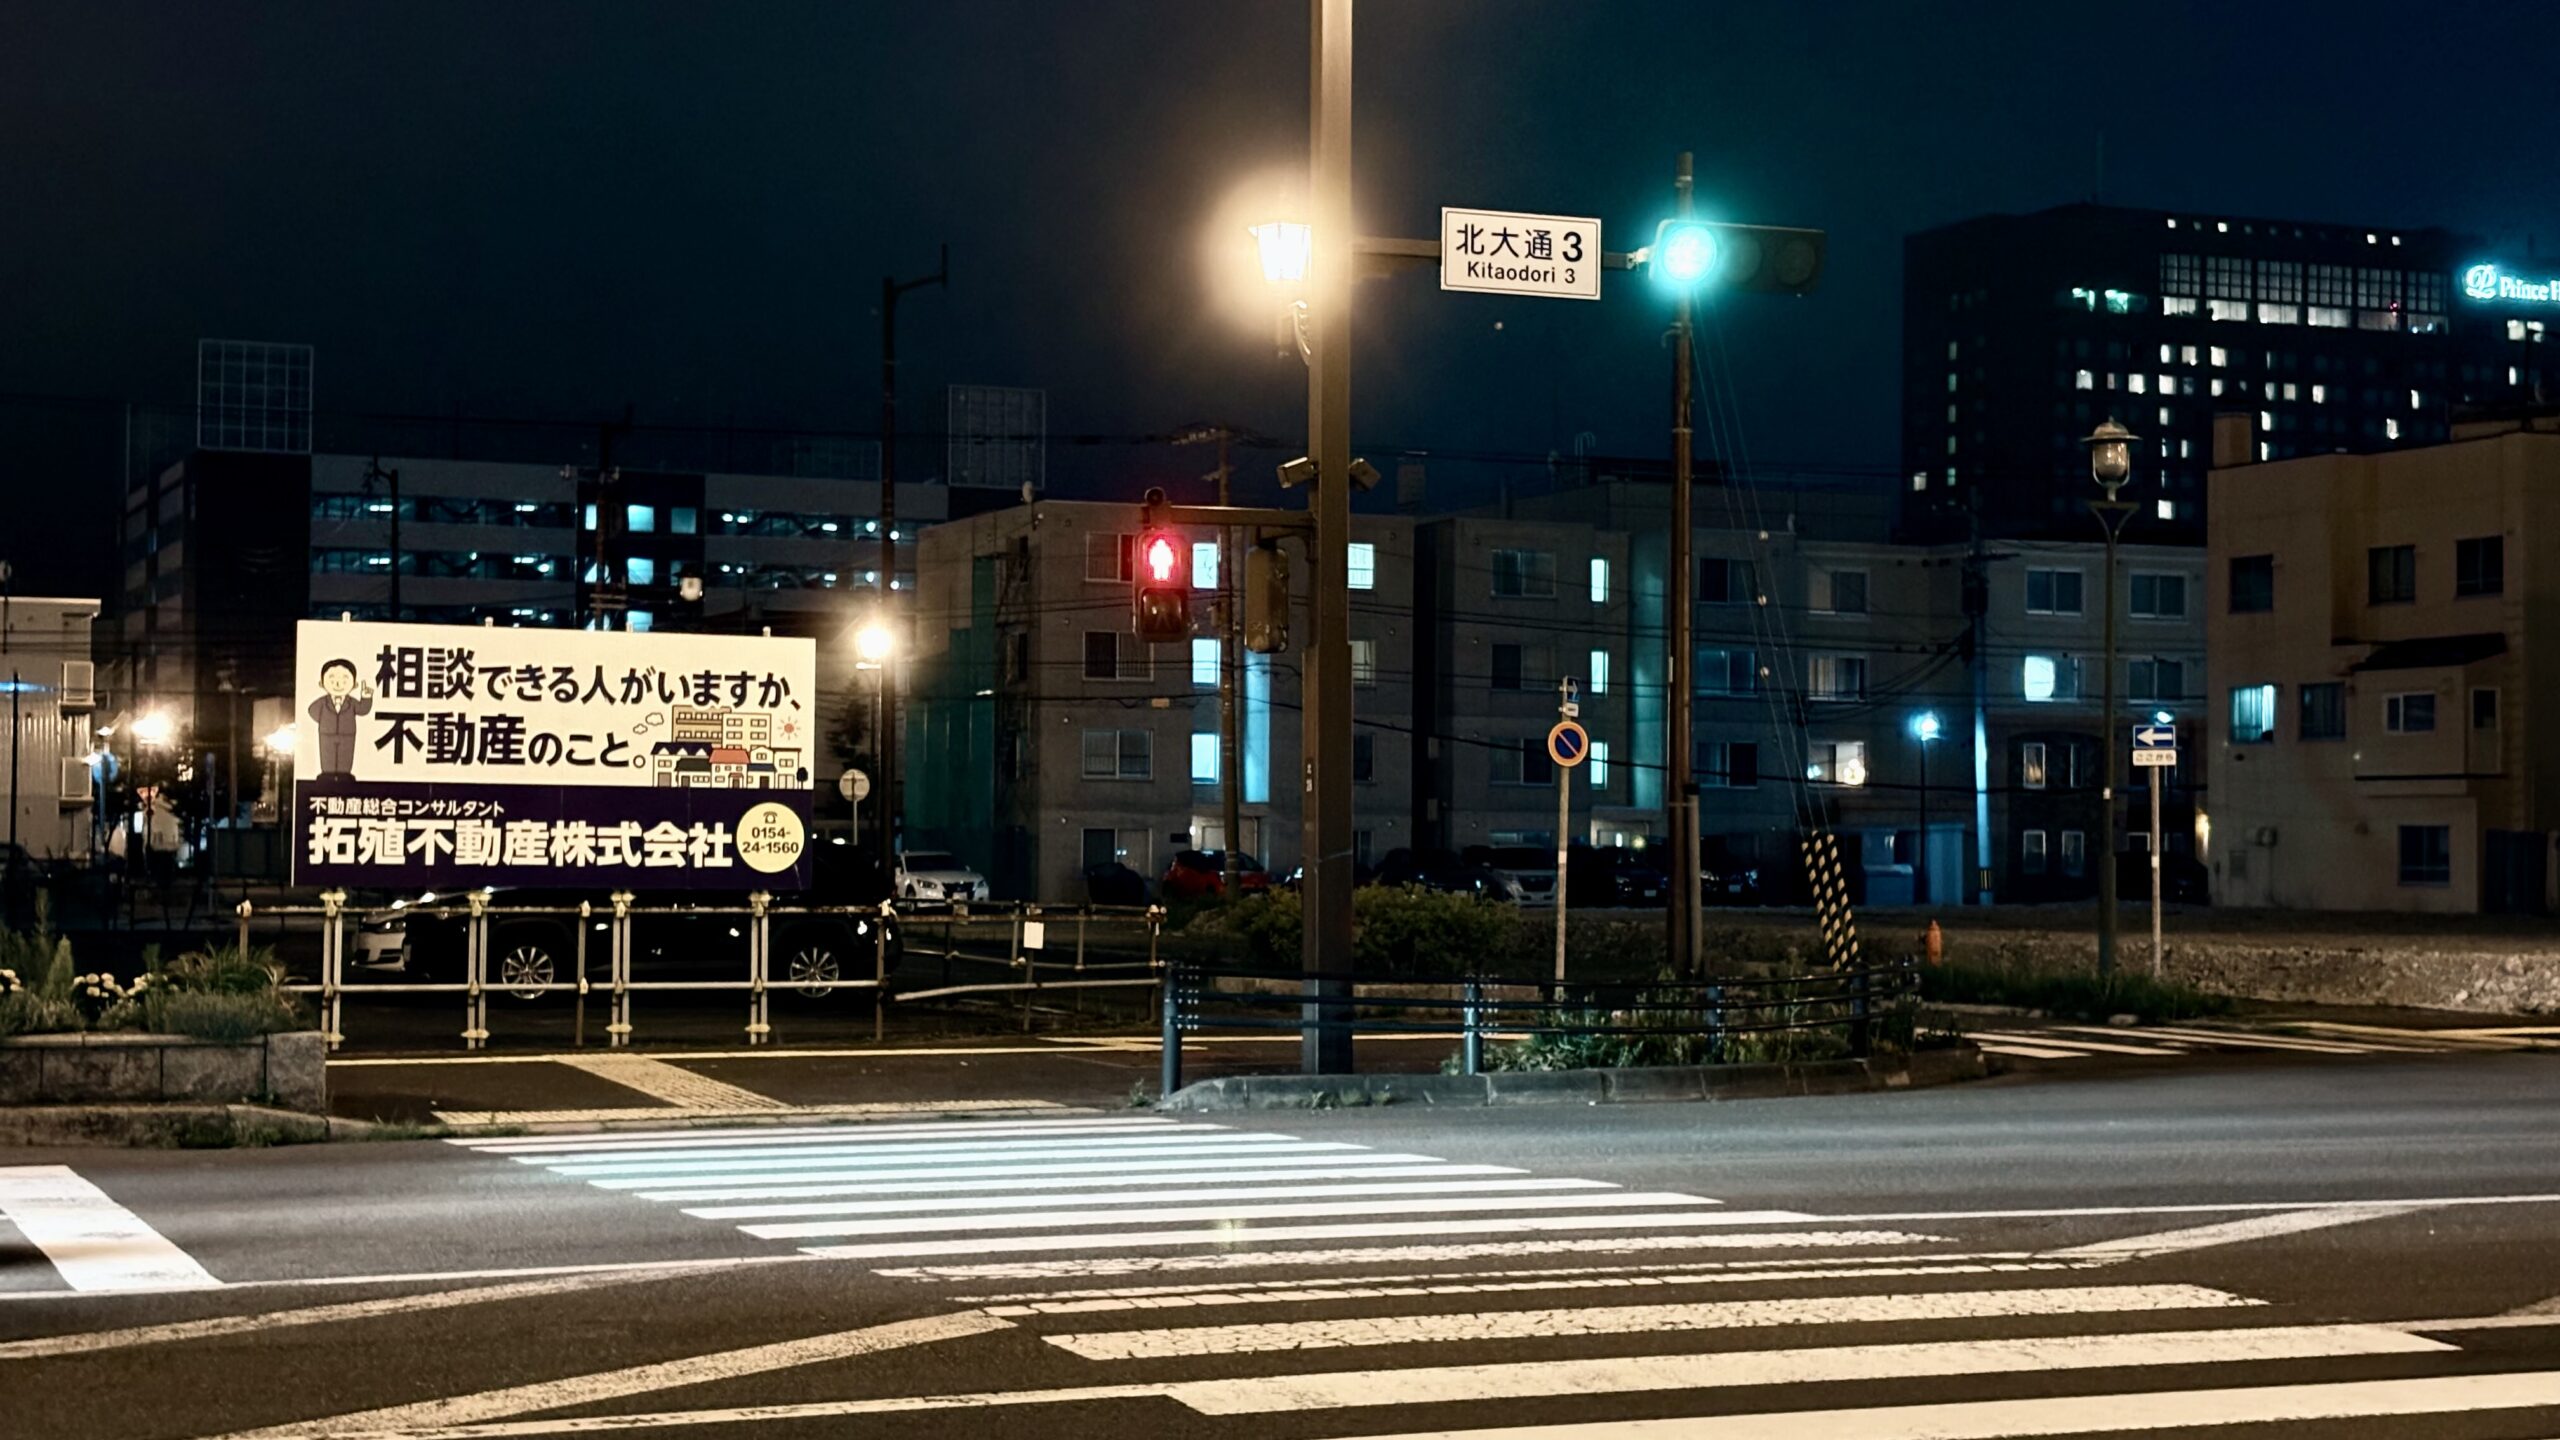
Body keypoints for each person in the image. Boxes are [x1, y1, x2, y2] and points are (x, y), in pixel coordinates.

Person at [308, 658, 373, 780]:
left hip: (347, 734)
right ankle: (327, 774)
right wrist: (324, 721)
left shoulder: (351, 702)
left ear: (354, 685)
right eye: (332, 680)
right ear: (321, 683)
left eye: (344, 680)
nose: (338, 684)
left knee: (345, 755)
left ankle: (345, 775)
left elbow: (363, 710)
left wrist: (366, 697)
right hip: (326, 734)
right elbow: (312, 710)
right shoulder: (323, 702)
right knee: (327, 755)